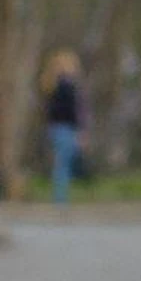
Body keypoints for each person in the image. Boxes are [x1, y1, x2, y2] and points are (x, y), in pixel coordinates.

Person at [42, 51, 84, 205]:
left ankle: (59, 197)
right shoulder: (66, 87)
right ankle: (60, 200)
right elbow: (72, 112)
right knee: (64, 165)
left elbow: (49, 112)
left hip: (54, 129)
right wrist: (80, 130)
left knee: (60, 164)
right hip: (66, 129)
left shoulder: (51, 85)